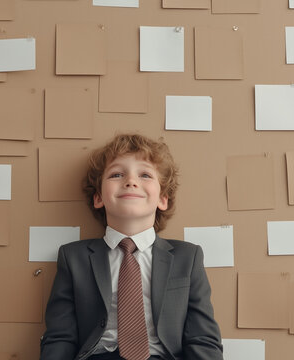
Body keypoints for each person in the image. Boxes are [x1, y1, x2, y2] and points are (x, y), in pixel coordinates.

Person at [40, 134, 223, 360]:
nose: (131, 181)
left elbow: (202, 338)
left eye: (145, 174)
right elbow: (60, 338)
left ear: (162, 199)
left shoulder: (188, 257)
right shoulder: (73, 257)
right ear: (98, 198)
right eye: (117, 174)